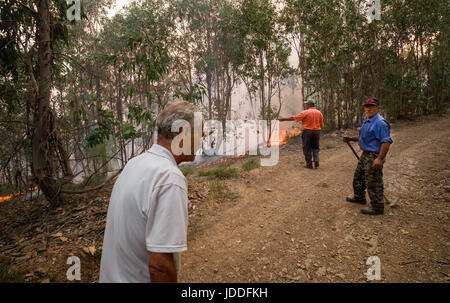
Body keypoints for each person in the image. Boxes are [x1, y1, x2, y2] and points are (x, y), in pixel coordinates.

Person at [100, 101, 203, 282]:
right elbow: (160, 268)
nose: (202, 140)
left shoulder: (134, 164)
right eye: (200, 134)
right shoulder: (169, 178)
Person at [343, 98, 393, 215]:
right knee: (358, 177)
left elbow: (386, 141)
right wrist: (350, 138)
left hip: (374, 155)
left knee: (373, 181)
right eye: (367, 106)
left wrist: (380, 159)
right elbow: (362, 137)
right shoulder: (366, 120)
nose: (368, 108)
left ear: (377, 108)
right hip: (365, 153)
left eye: (371, 106)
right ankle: (359, 197)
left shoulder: (380, 123)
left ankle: (377, 206)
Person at [278, 99, 324, 169]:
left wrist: (283, 119)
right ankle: (316, 159)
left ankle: (309, 165)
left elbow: (294, 118)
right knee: (315, 147)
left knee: (307, 148)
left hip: (308, 132)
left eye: (306, 104)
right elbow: (321, 125)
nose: (306, 105)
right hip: (316, 132)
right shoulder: (319, 113)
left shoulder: (305, 112)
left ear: (309, 105)